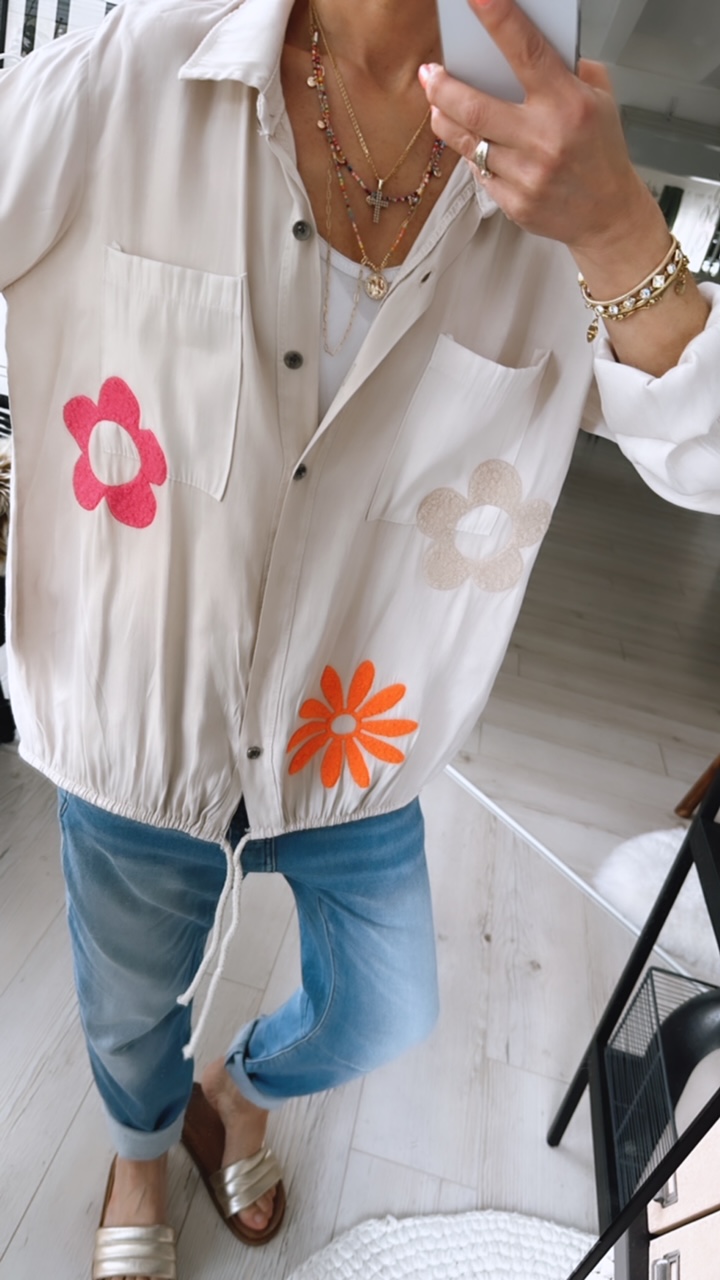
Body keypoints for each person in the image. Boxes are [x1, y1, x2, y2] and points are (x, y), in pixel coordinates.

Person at [2, 0, 719, 1276]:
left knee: (385, 1005)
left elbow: (704, 461)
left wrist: (619, 229)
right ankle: (137, 1144)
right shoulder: (128, 80)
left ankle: (234, 1090)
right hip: (138, 707)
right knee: (127, 1003)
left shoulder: (557, 164)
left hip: (359, 731)